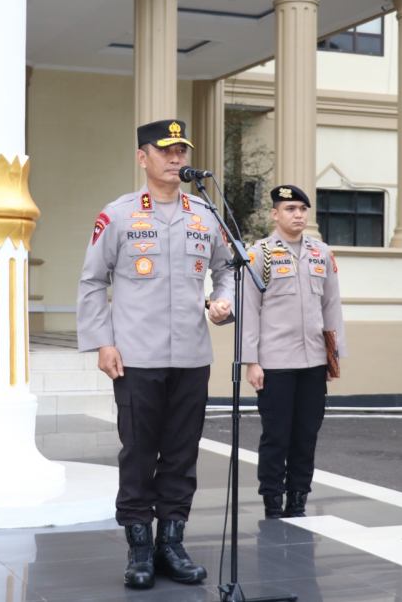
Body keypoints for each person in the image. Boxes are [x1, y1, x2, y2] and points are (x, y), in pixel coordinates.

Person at [77, 119, 234, 590]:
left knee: (182, 456)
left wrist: (224, 302)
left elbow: (228, 269)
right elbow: (91, 281)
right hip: (136, 357)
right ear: (142, 157)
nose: (176, 159)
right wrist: (102, 341)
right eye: (165, 151)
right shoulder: (119, 215)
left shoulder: (205, 215)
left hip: (191, 355)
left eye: (181, 150)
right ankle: (140, 549)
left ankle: (172, 542)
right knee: (140, 454)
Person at [241, 185, 345, 520]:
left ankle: (299, 496)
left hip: (313, 360)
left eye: (302, 208)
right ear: (275, 214)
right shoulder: (260, 255)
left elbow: (331, 306)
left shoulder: (321, 253)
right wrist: (251, 361)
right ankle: (272, 498)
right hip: (276, 362)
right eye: (289, 209)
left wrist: (334, 354)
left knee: (306, 434)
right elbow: (249, 311)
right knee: (276, 436)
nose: (297, 215)